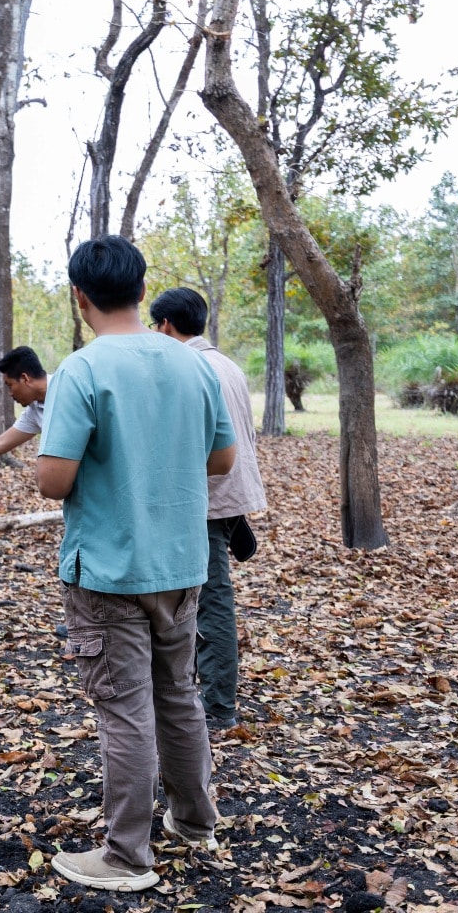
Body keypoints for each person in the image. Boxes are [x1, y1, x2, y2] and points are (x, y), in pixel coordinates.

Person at [37, 236, 235, 891]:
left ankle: (126, 856)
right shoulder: (194, 366)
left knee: (123, 708)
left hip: (110, 567)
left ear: (80, 297)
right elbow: (221, 460)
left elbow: (54, 480)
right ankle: (194, 820)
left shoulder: (82, 371)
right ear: (144, 291)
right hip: (182, 560)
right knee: (178, 693)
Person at [149, 287, 267, 730]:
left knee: (212, 602)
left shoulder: (190, 366)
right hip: (224, 495)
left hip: (208, 499)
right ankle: (203, 691)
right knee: (198, 598)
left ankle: (219, 705)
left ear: (165, 326)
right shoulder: (226, 363)